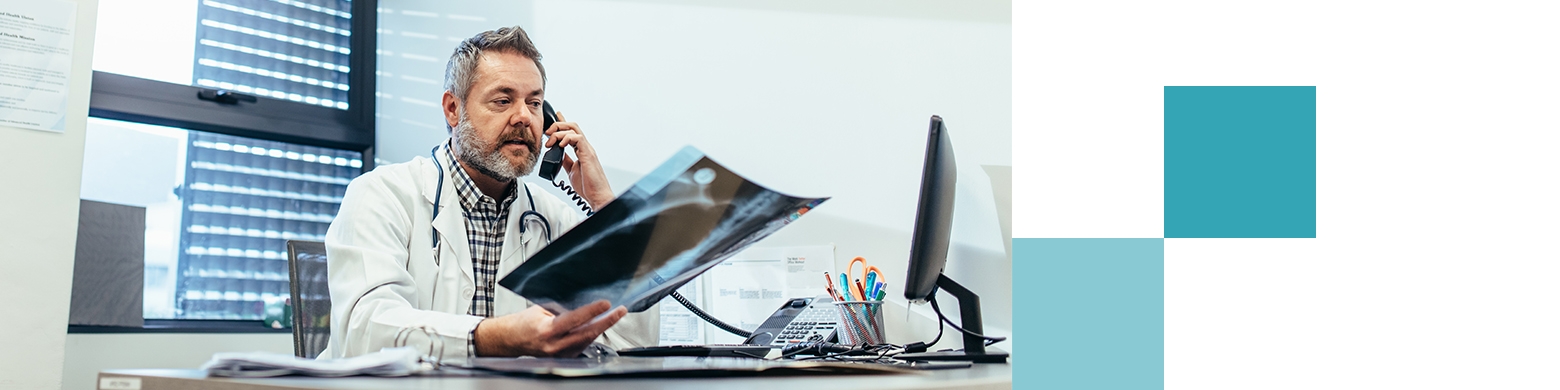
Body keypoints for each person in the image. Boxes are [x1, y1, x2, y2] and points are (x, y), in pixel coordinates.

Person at [321, 26, 657, 361]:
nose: (524, 117)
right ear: (453, 109)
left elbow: (628, 346)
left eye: (535, 102)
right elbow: (364, 331)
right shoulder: (381, 196)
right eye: (503, 100)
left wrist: (608, 211)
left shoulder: (557, 220)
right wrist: (498, 337)